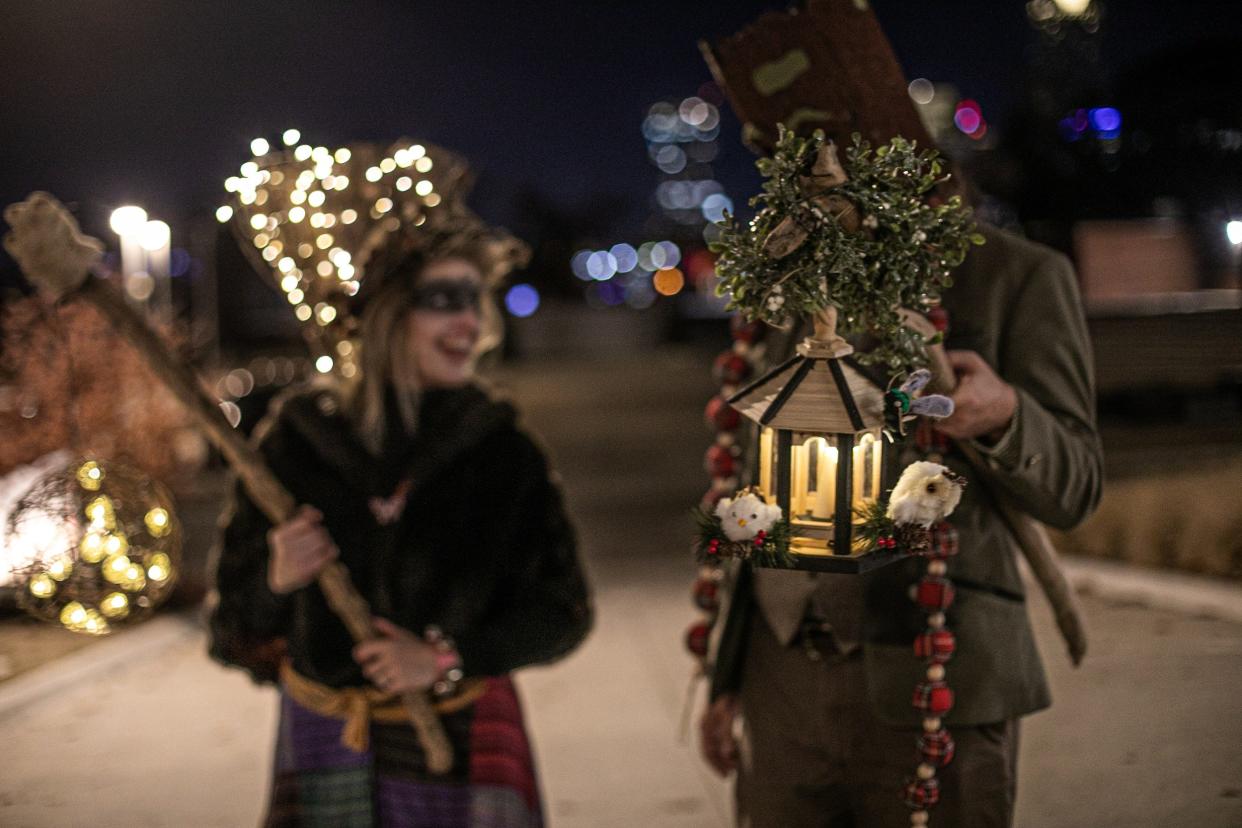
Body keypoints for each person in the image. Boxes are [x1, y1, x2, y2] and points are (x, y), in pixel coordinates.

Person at [698, 219, 1103, 826]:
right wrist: (725, 675)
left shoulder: (1011, 273)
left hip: (937, 672)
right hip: (777, 678)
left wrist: (1006, 415)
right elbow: (752, 481)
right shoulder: (789, 264)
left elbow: (1077, 485)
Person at [208, 230, 593, 827]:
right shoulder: (293, 447)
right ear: (388, 316)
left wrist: (446, 658)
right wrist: (275, 579)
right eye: (445, 300)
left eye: (476, 300)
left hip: (464, 739)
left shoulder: (503, 452)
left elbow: (564, 613)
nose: (470, 322)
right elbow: (232, 629)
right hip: (325, 738)